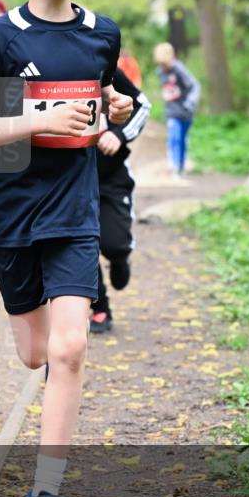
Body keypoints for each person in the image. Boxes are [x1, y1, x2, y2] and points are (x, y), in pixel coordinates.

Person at [0, 0, 132, 497]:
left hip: (74, 213)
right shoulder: (2, 40)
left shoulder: (100, 34)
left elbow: (105, 110)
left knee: (72, 349)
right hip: (13, 213)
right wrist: (38, 119)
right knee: (36, 354)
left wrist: (116, 111)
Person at [89, 67, 151, 333]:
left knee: (113, 243)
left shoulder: (101, 64)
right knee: (80, 245)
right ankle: (100, 307)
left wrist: (119, 134)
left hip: (111, 177)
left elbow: (142, 105)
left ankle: (119, 257)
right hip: (69, 179)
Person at [153, 42, 200, 177]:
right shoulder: (160, 71)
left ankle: (181, 166)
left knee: (183, 140)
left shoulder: (179, 69)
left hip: (185, 111)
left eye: (164, 64)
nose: (163, 67)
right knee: (174, 138)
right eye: (160, 64)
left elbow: (195, 86)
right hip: (172, 112)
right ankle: (174, 166)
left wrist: (190, 103)